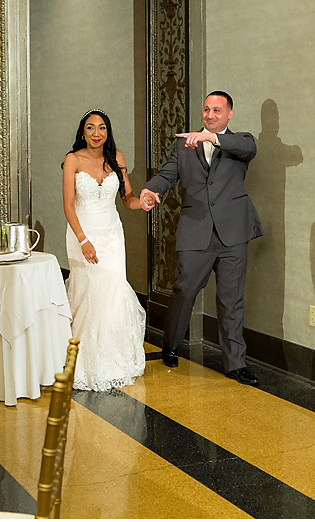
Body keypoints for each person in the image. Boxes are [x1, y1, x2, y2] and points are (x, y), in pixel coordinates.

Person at [140, 91, 263, 385]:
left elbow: (249, 148)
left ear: (229, 114)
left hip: (233, 232)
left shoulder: (239, 142)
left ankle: (235, 364)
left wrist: (211, 138)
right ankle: (170, 345)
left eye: (217, 110)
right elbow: (168, 174)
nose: (210, 115)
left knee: (231, 299)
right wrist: (150, 190)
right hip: (196, 232)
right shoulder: (184, 145)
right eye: (206, 109)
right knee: (184, 291)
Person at [62, 109, 147, 391]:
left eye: (101, 128)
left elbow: (128, 198)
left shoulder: (117, 159)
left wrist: (143, 202)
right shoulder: (72, 160)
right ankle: (83, 361)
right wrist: (83, 240)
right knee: (89, 294)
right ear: (82, 132)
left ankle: (113, 361)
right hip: (83, 235)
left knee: (112, 293)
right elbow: (68, 206)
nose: (96, 133)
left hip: (112, 236)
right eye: (90, 128)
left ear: (107, 132)